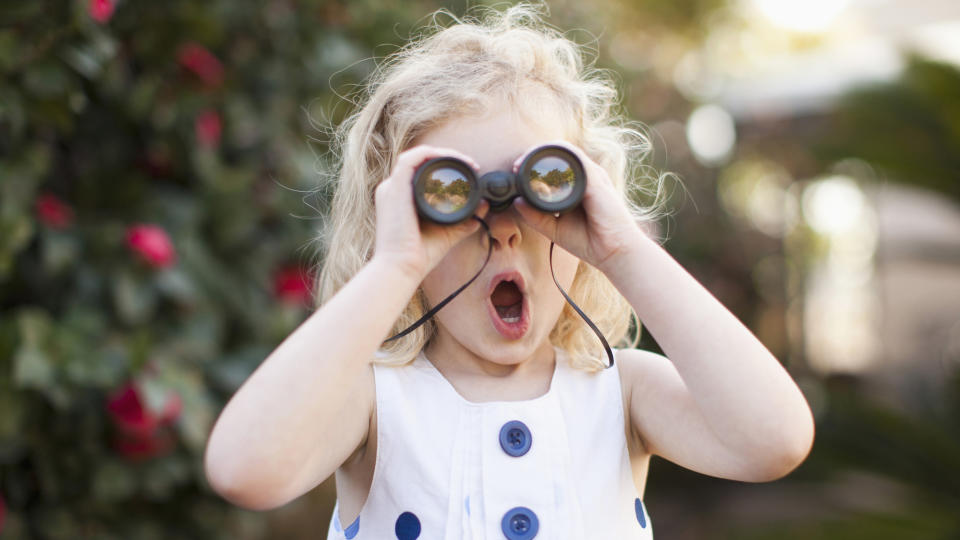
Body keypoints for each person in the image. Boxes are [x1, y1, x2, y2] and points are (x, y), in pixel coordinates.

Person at [203, 4, 816, 539]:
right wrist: (395, 263)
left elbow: (774, 441)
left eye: (549, 189)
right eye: (451, 197)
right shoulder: (375, 404)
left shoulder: (621, 391)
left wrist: (622, 249)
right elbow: (244, 471)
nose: (504, 227)